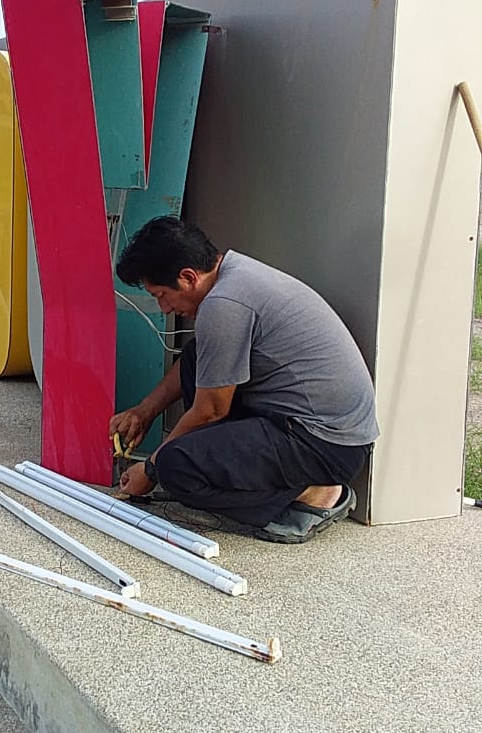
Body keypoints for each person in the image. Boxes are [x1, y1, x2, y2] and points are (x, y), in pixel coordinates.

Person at [109, 217, 379, 544]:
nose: (164, 308)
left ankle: (314, 494)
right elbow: (203, 370)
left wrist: (151, 470)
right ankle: (228, 472)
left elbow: (211, 411)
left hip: (324, 444)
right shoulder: (235, 272)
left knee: (174, 468)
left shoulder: (224, 305)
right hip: (313, 427)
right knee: (196, 358)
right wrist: (145, 411)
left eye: (162, 295)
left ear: (189, 277)